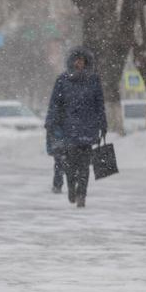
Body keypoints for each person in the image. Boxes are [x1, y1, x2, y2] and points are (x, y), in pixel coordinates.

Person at [45, 46, 107, 208]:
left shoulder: (94, 80)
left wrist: (103, 123)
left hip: (88, 129)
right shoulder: (63, 80)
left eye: (82, 60)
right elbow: (55, 104)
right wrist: (51, 122)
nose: (79, 63)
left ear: (87, 62)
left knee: (85, 166)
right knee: (69, 165)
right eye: (77, 60)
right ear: (71, 61)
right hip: (68, 130)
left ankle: (82, 194)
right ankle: (72, 187)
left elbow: (99, 104)